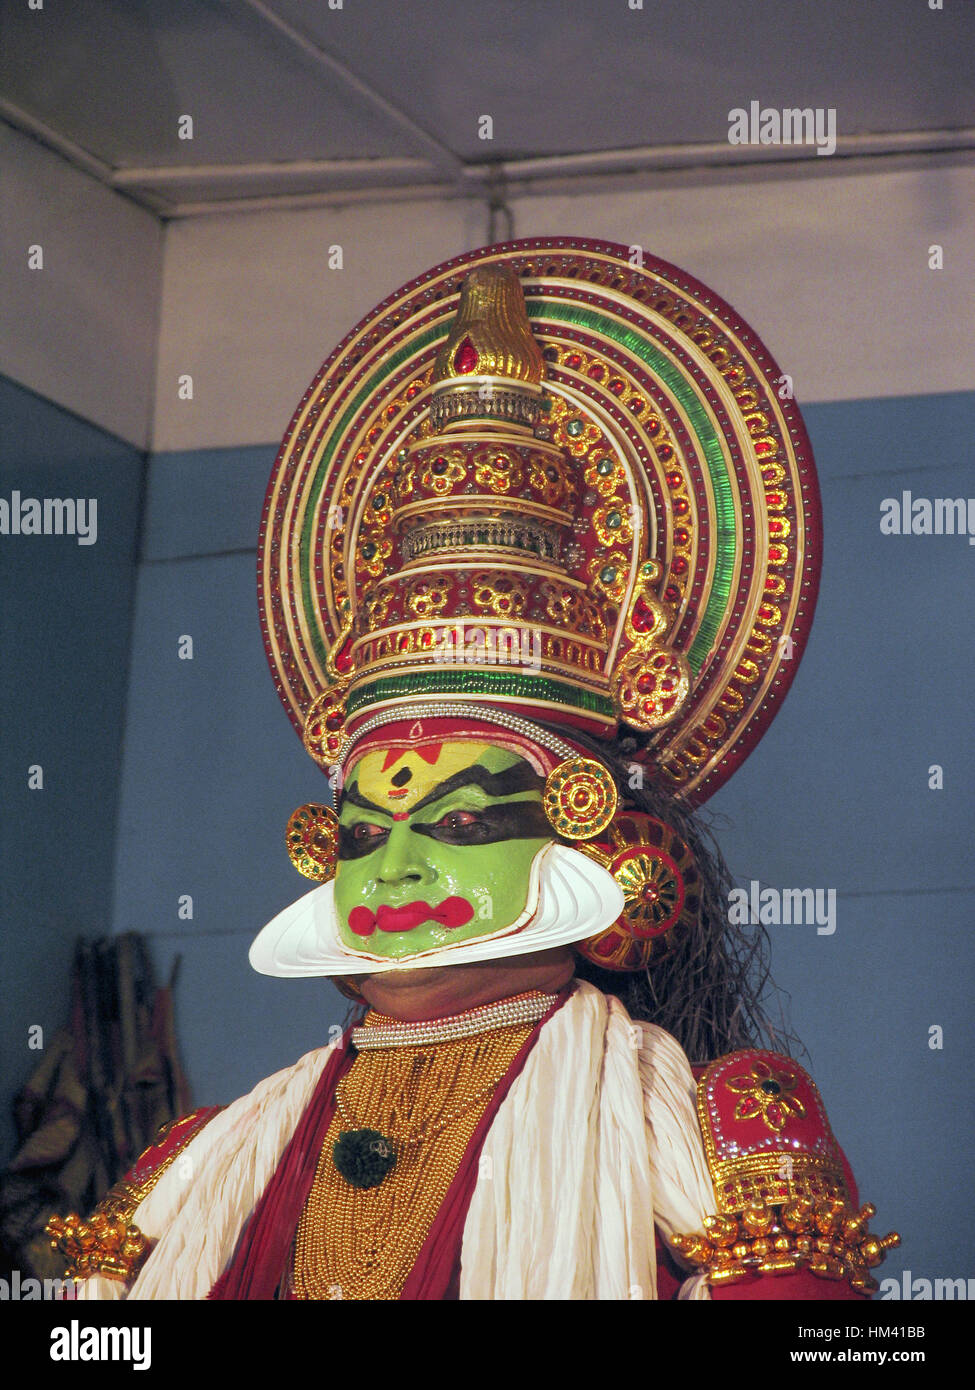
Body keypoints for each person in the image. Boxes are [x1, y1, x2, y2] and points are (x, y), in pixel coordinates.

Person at [49, 239, 898, 1300]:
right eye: (365, 833)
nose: (394, 871)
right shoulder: (191, 1170)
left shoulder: (722, 1127)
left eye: (457, 825)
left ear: (590, 835)